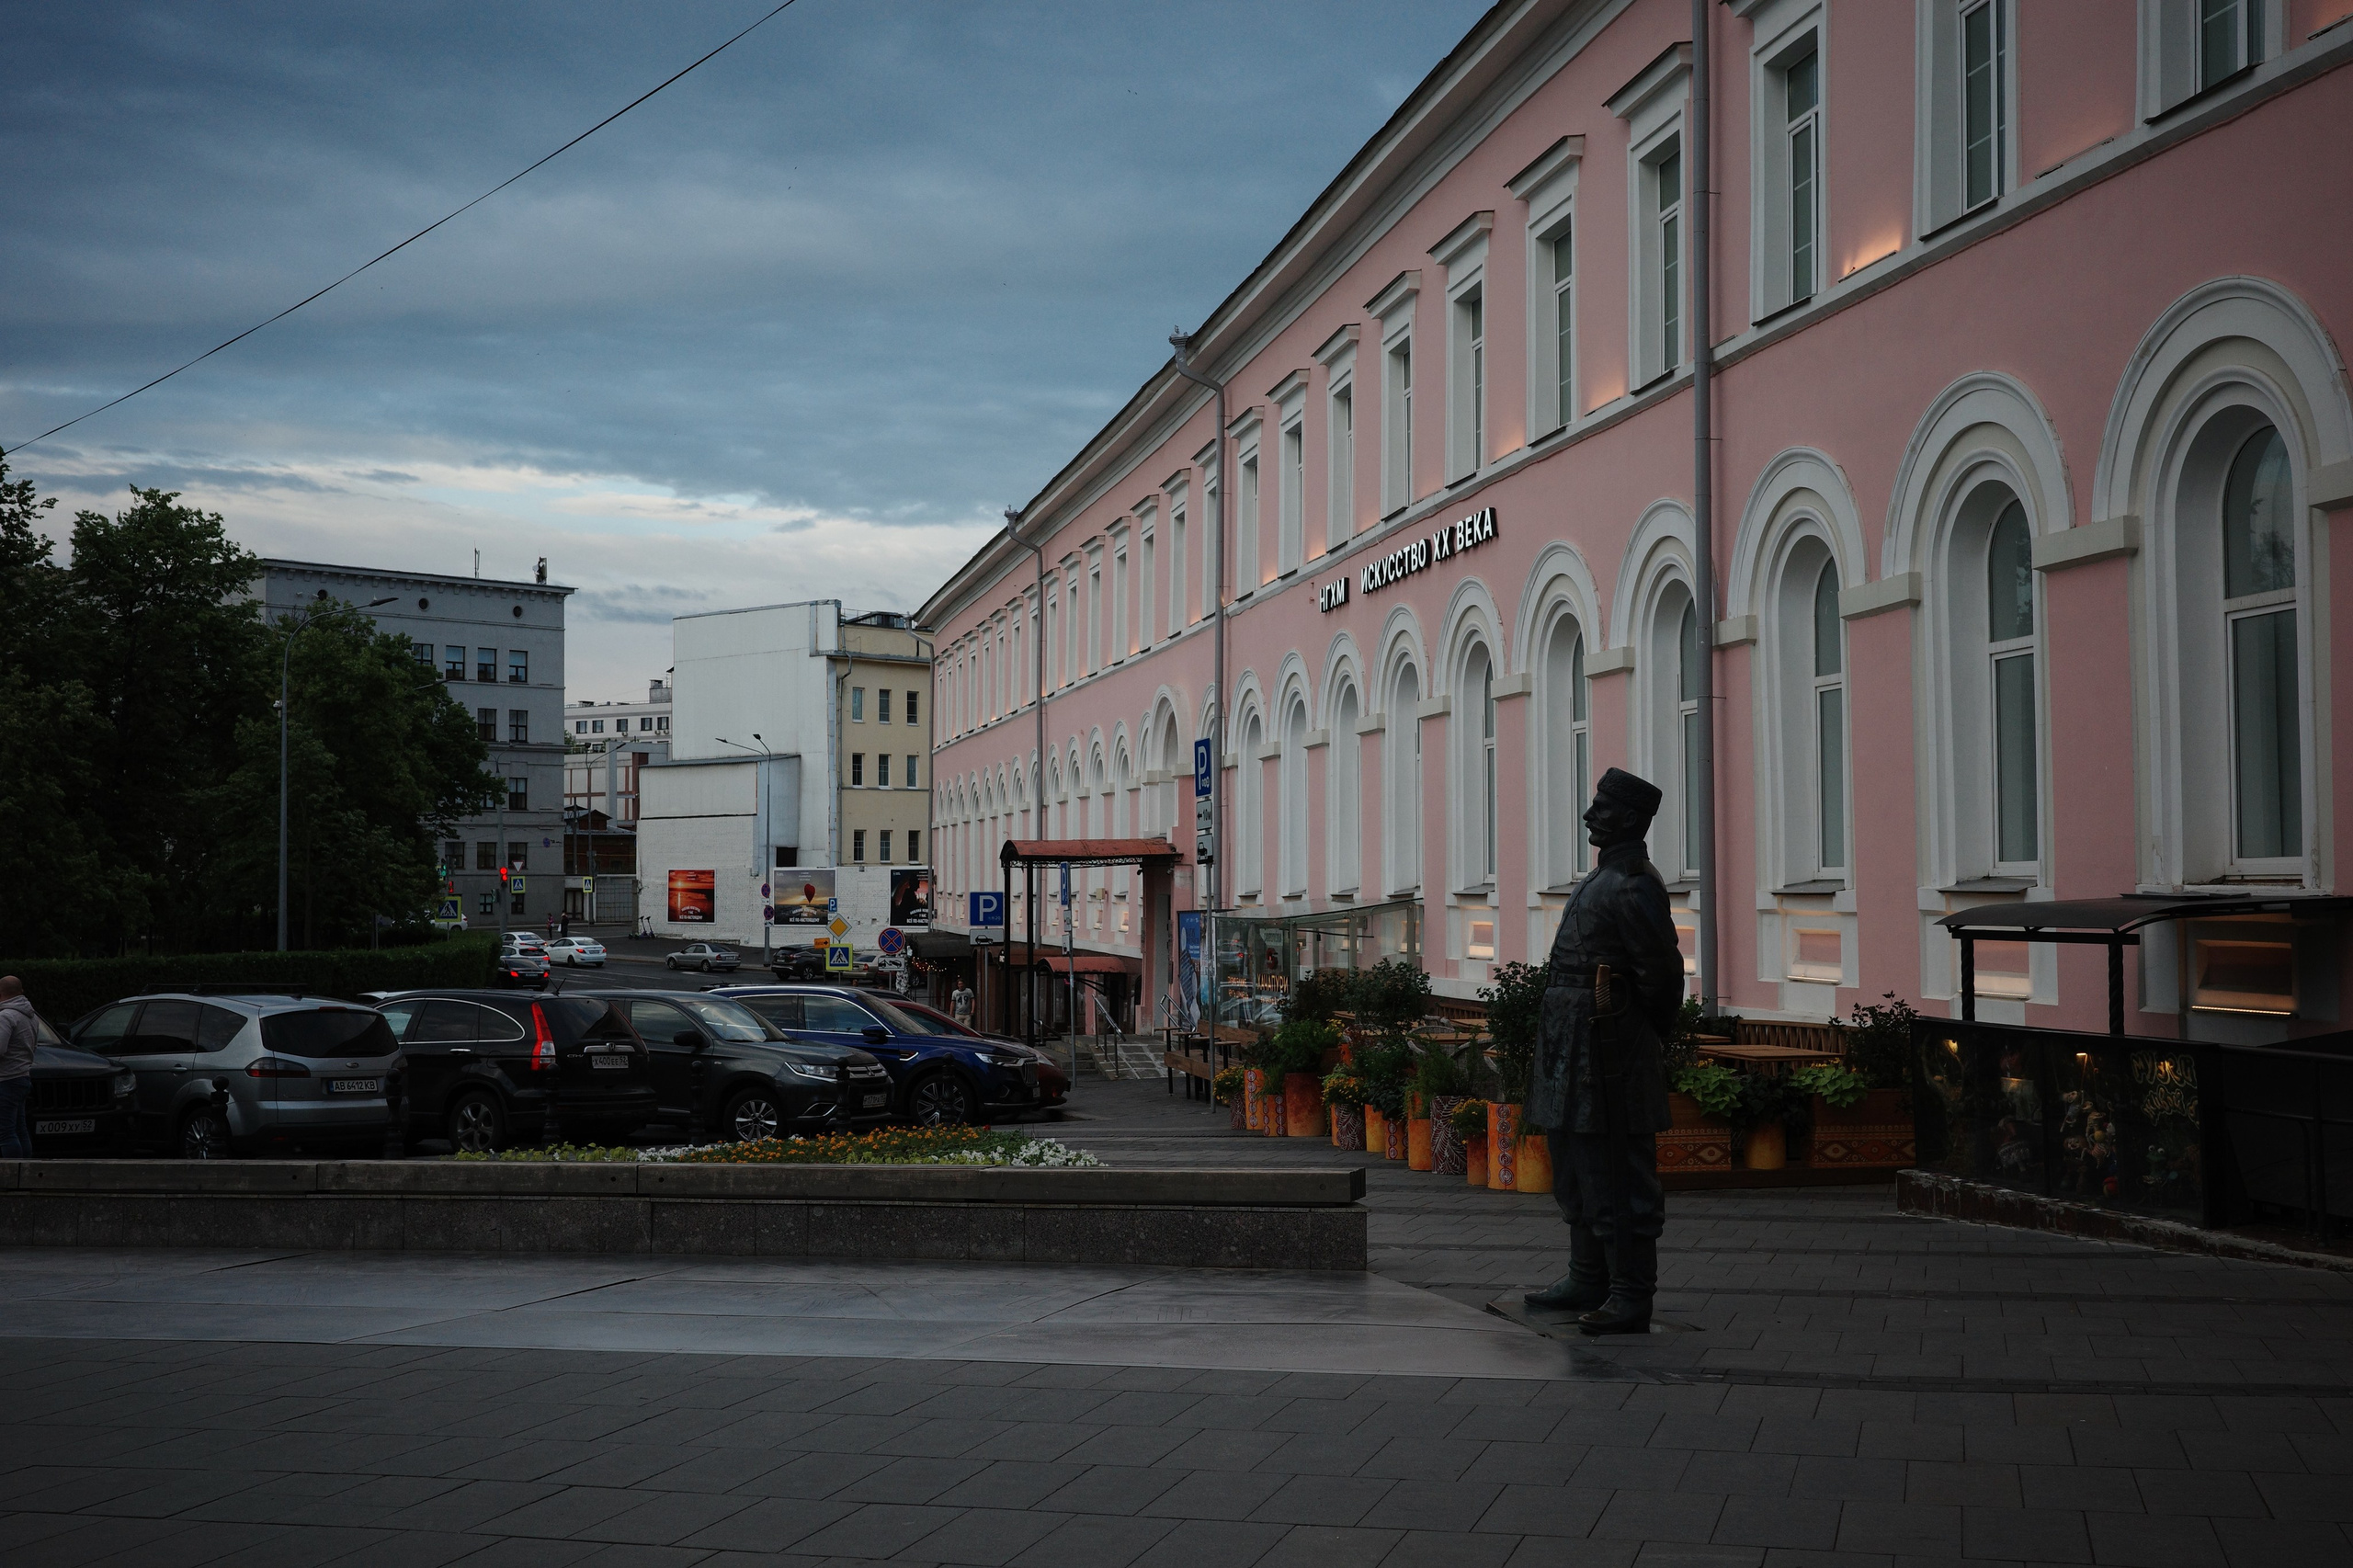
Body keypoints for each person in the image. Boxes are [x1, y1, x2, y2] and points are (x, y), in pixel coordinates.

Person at [1522, 768, 1684, 1335]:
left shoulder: (1635, 882)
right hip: (1573, 1046)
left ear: (1632, 819)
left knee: (1616, 1172)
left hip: (1609, 1048)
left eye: (1603, 808)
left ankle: (1630, 1293)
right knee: (1574, 1166)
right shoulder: (1602, 878)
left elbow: (1661, 977)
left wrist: (1636, 1039)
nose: (1591, 815)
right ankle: (1586, 1274)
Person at [0, 975, 40, 1159]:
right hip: (23, 1078)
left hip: (6, 1080)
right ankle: (26, 1173)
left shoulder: (6, 1016)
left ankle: (12, 1178)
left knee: (5, 1133)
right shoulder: (30, 1016)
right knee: (20, 1129)